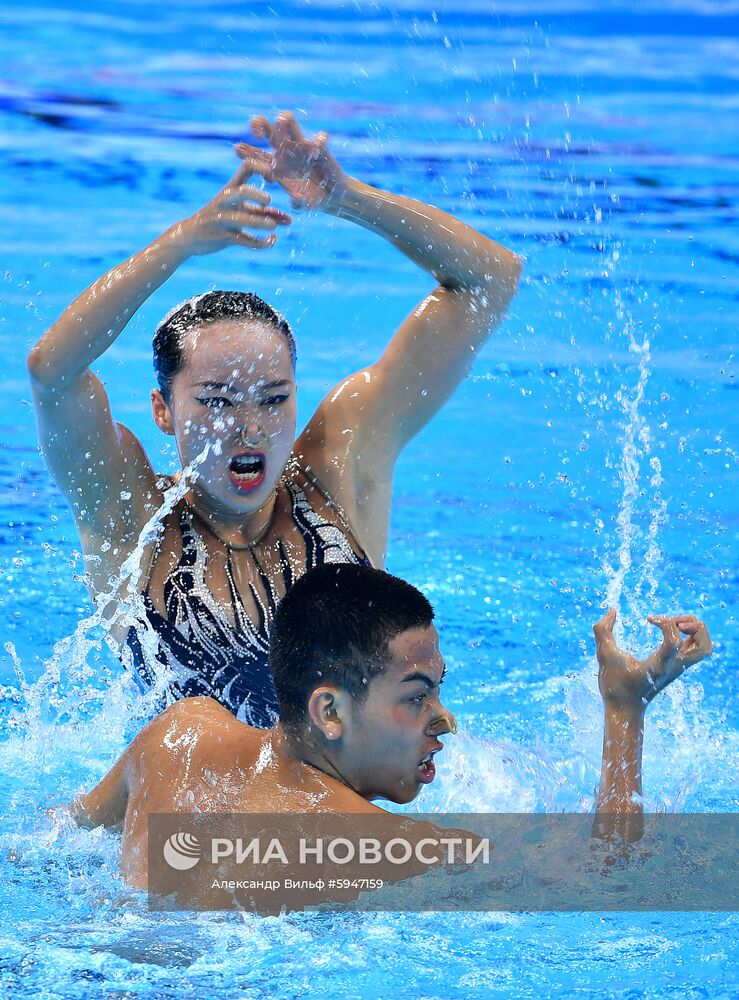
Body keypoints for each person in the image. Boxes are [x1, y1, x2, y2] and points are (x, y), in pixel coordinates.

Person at [27, 111, 522, 724]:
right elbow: (53, 372)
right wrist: (180, 242)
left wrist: (348, 198)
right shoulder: (129, 514)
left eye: (273, 396)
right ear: (162, 409)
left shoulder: (339, 471)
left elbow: (490, 280)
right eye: (216, 400)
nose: (251, 427)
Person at [71, 563, 713, 891]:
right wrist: (625, 711)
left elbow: (53, 838)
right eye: (416, 696)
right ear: (328, 712)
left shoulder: (178, 733)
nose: (445, 721)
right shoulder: (370, 845)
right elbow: (611, 874)